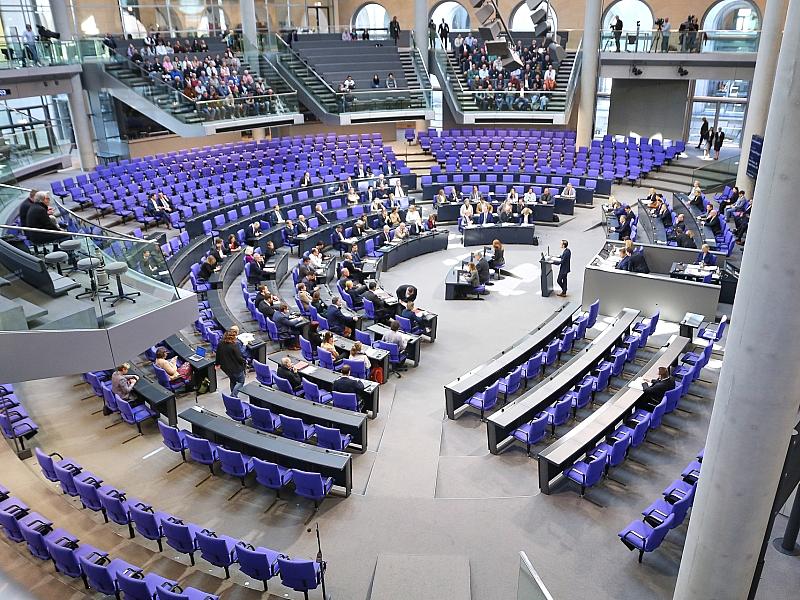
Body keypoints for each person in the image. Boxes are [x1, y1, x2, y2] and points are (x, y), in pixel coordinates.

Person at [216, 329, 246, 397]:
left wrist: (217, 364)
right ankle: (233, 395)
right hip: (236, 368)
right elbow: (239, 357)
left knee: (232, 380)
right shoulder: (234, 345)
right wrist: (244, 361)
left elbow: (218, 354)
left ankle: (233, 395)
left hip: (225, 368)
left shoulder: (220, 343)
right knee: (241, 382)